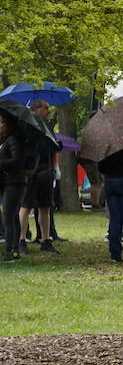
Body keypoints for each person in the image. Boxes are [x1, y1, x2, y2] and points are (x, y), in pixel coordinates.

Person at [20, 99, 58, 253]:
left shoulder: (48, 127)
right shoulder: (24, 126)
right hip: (29, 172)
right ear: (35, 109)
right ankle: (21, 239)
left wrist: (53, 170)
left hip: (45, 171)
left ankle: (45, 239)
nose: (48, 111)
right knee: (25, 206)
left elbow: (54, 149)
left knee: (44, 207)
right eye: (45, 108)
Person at [0, 114, 33, 261]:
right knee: (12, 217)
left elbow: (17, 161)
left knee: (8, 217)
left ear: (8, 124)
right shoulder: (5, 140)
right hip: (8, 182)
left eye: (1, 122)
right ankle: (14, 250)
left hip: (14, 182)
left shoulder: (13, 139)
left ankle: (9, 251)